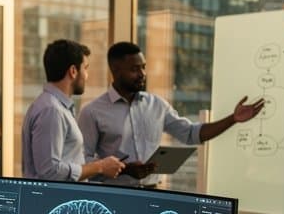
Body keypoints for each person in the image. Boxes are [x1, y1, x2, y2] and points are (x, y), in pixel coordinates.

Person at [78, 41, 265, 187]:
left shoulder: (157, 105)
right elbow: (82, 163)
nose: (142, 74)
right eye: (134, 69)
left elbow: (191, 134)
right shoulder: (92, 112)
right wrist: (125, 169)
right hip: (115, 196)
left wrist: (233, 119)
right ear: (116, 70)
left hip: (154, 193)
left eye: (143, 67)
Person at [21, 39, 124, 181]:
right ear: (73, 71)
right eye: (85, 68)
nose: (87, 76)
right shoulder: (52, 110)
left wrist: (103, 166)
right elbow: (50, 172)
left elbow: (66, 162)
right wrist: (99, 166)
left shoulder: (55, 107)